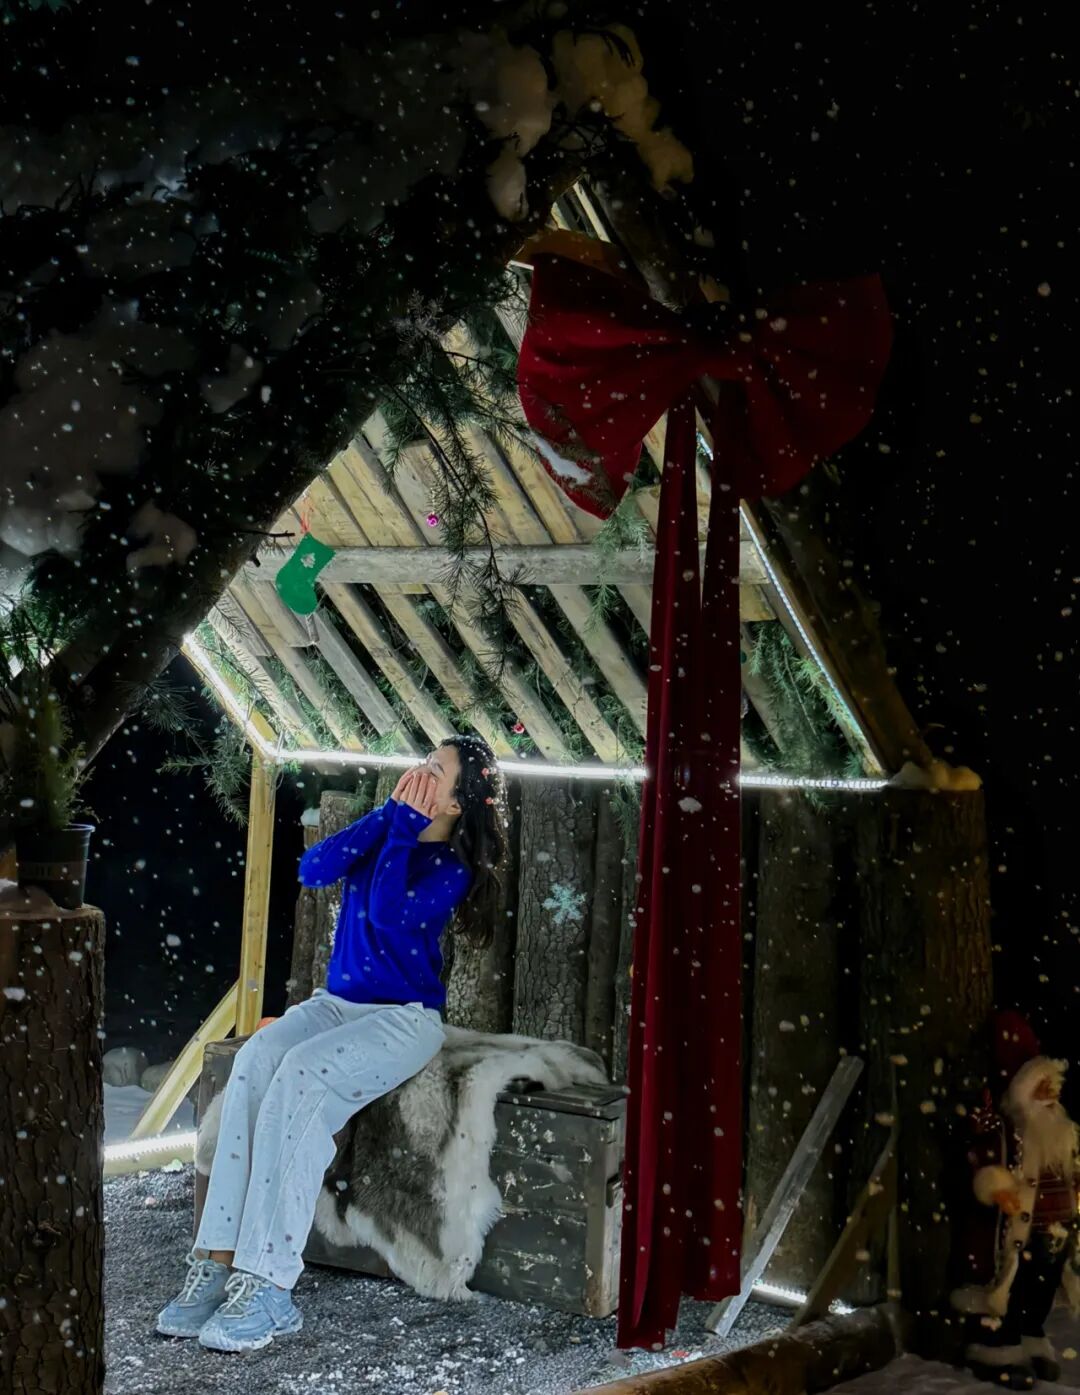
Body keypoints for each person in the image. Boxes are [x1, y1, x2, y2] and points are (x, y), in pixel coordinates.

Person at [155, 735, 506, 1352]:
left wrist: (401, 831)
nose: (418, 772)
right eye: (423, 761)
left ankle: (269, 1283)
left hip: (404, 1019)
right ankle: (218, 1259)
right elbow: (313, 868)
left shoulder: (450, 869)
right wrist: (385, 818)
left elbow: (391, 913)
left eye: (436, 771)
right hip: (337, 1005)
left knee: (303, 1074)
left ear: (455, 804)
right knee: (257, 1059)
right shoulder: (387, 829)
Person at [952, 1011, 1080, 1390]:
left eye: (1052, 1084)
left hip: (1057, 1226)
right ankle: (998, 1350)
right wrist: (997, 1187)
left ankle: (1031, 1337)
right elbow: (984, 1161)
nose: (1050, 1093)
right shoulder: (1008, 1129)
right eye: (1041, 1086)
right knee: (1010, 1285)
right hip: (1020, 1228)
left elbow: (1071, 1168)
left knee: (1043, 1286)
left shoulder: (1064, 1130)